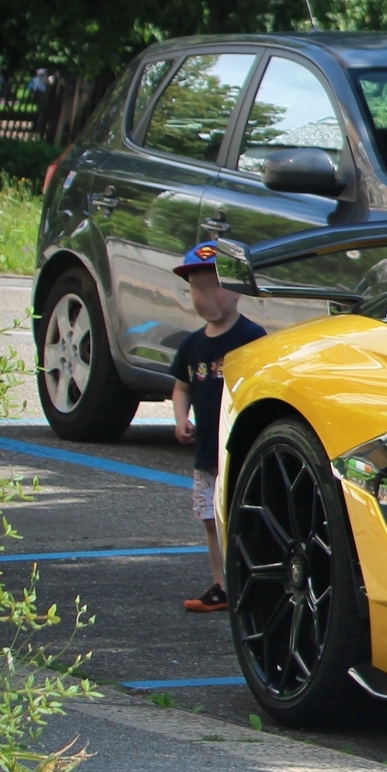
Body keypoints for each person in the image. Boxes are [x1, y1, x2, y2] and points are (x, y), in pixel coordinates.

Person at [169, 242, 266, 613]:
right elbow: (181, 386)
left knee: (242, 517)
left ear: (236, 290)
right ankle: (223, 585)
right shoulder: (192, 345)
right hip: (206, 452)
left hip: (237, 451)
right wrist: (181, 418)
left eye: (213, 285)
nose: (204, 294)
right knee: (211, 521)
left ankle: (251, 581)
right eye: (196, 286)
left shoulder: (251, 339)